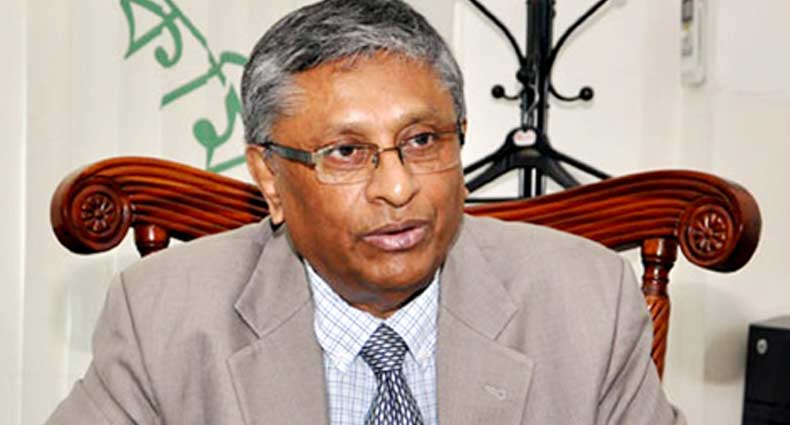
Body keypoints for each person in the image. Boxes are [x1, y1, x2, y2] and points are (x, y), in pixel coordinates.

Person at [46, 0, 685, 424]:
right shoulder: (163, 316)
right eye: (347, 153)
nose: (398, 188)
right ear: (269, 176)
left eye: (423, 140)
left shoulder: (586, 302)